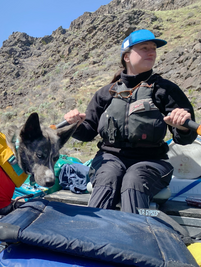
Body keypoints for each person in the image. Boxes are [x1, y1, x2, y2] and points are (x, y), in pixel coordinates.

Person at [63, 29, 198, 214]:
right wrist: (75, 125)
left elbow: (185, 139)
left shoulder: (166, 90)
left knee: (134, 178)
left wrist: (182, 127)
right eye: (144, 48)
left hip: (152, 161)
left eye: (153, 49)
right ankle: (92, 236)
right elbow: (87, 132)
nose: (151, 52)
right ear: (126, 57)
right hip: (110, 159)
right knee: (107, 177)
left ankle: (132, 237)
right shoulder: (105, 93)